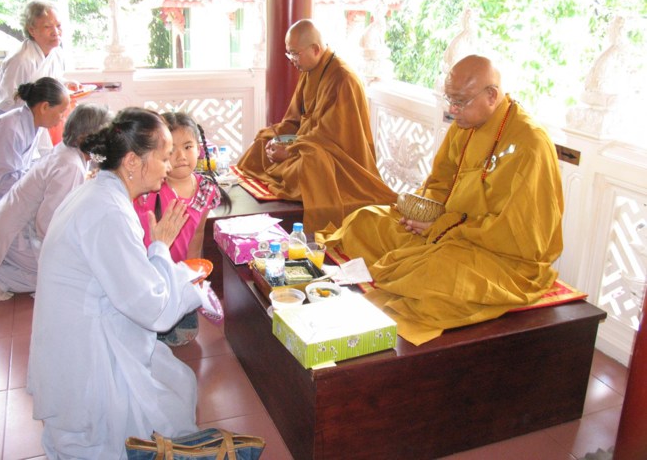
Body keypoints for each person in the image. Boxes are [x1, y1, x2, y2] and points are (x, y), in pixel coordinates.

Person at [318, 55, 564, 345]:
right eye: (450, 100)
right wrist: (423, 214)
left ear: (491, 95)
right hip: (443, 229)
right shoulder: (465, 125)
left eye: (460, 102)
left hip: (494, 252)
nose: (452, 110)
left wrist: (444, 225)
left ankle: (400, 280)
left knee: (434, 275)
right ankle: (399, 269)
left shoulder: (530, 144)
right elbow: (440, 182)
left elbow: (522, 237)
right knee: (365, 221)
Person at [27, 107, 217, 459]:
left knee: (176, 381)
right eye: (164, 156)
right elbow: (152, 308)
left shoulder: (102, 192)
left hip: (84, 330)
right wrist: (183, 276)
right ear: (132, 161)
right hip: (87, 349)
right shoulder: (108, 211)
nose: (169, 166)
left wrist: (160, 249)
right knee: (161, 400)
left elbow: (129, 278)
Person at [236, 18, 396, 231]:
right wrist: (277, 140)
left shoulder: (344, 79)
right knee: (262, 142)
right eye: (289, 53)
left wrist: (290, 152)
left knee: (309, 166)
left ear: (315, 49)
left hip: (338, 161)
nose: (292, 60)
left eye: (295, 54)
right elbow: (294, 120)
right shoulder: (309, 71)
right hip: (307, 144)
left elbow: (329, 137)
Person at [0, 103, 112, 301]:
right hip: (17, 235)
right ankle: (2, 278)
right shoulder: (70, 165)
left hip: (14, 226)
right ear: (86, 137)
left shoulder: (68, 150)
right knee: (69, 274)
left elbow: (98, 159)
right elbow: (47, 225)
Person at [134, 111, 230, 346]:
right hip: (148, 275)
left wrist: (192, 279)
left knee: (185, 336)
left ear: (199, 149)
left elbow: (197, 236)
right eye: (172, 149)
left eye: (188, 147)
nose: (181, 156)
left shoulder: (205, 190)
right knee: (148, 332)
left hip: (178, 277)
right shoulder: (149, 188)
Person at [0, 76, 70, 202]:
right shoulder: (11, 127)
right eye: (61, 112)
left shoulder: (35, 124)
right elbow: (3, 181)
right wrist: (42, 181)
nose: (62, 118)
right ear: (44, 107)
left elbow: (32, 163)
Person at [0, 0, 66, 114]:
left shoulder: (56, 53)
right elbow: (6, 103)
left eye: (58, 25)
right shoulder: (21, 60)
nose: (55, 32)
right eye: (47, 26)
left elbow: (51, 82)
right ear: (32, 30)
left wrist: (66, 84)